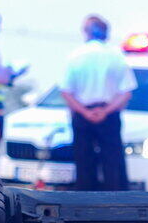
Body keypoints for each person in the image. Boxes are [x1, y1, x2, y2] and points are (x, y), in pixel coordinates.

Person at [59, 15, 137, 190]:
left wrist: (85, 112)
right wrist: (106, 111)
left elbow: (66, 92)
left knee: (84, 163)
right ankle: (115, 205)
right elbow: (126, 92)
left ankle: (85, 205)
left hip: (82, 115)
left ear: (86, 32)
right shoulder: (116, 56)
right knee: (112, 163)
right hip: (108, 116)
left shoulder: (75, 56)